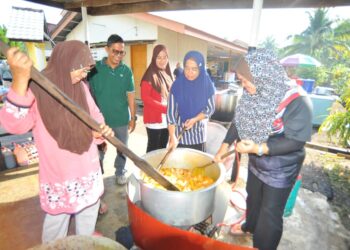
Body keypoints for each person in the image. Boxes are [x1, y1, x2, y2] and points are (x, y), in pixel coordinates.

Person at [0, 41, 114, 243]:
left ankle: (84, 242)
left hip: (88, 170)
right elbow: (13, 124)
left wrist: (99, 130)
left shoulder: (81, 87)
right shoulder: (37, 88)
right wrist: (19, 79)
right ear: (65, 63)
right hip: (60, 177)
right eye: (82, 69)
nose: (85, 75)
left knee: (88, 215)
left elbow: (95, 115)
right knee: (56, 226)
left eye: (87, 70)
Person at [214, 48, 313, 250]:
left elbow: (295, 141)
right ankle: (250, 226)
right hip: (257, 160)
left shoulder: (297, 100)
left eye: (245, 81)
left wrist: (258, 147)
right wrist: (223, 148)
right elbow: (239, 121)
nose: (244, 86)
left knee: (270, 213)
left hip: (281, 166)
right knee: (254, 196)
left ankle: (263, 245)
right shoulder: (254, 93)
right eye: (242, 81)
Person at [89, 34, 136, 185]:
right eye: (115, 51)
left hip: (121, 119)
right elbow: (88, 95)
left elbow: (130, 96)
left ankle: (120, 172)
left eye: (121, 52)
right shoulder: (95, 69)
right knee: (99, 150)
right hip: (100, 121)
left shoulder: (126, 71)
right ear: (107, 49)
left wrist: (133, 117)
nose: (118, 55)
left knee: (122, 149)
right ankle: (97, 175)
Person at [167, 51, 215, 152]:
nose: (190, 72)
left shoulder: (206, 84)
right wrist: (172, 137)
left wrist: (195, 119)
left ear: (201, 69)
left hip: (198, 137)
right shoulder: (177, 85)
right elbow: (171, 114)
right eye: (187, 68)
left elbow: (210, 108)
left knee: (197, 166)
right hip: (179, 137)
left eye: (194, 69)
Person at [141, 44, 173, 152]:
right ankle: (148, 169)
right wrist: (165, 108)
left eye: (165, 57)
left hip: (166, 119)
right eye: (159, 57)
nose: (162, 60)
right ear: (154, 58)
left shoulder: (167, 74)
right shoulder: (149, 74)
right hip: (154, 119)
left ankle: (158, 169)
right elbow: (145, 98)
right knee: (153, 148)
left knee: (162, 147)